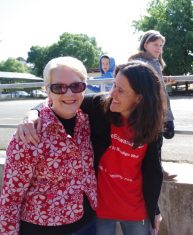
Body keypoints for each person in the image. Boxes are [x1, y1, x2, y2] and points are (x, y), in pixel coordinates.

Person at [15, 61, 165, 235]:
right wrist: (32, 113)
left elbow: (152, 171)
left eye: (121, 90)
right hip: (101, 209)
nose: (112, 93)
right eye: (114, 85)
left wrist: (154, 209)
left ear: (139, 98)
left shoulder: (152, 128)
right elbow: (56, 99)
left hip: (136, 209)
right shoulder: (100, 107)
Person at [0, 56, 97, 235]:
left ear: (85, 87)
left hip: (89, 223)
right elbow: (11, 197)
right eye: (58, 87)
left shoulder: (88, 120)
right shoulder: (30, 133)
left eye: (76, 86)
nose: (68, 93)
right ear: (47, 90)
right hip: (43, 229)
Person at [128, 29, 177, 181]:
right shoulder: (140, 63)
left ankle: (155, 170)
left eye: (161, 45)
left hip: (160, 109)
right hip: (149, 110)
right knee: (153, 144)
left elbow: (156, 83)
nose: (159, 48)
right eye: (155, 44)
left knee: (159, 141)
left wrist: (163, 80)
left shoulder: (155, 64)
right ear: (145, 44)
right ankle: (158, 171)